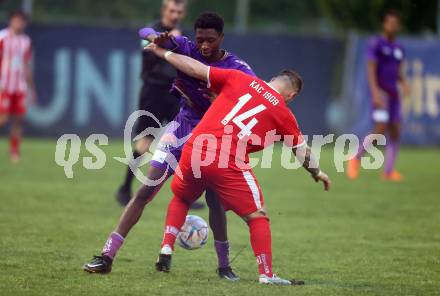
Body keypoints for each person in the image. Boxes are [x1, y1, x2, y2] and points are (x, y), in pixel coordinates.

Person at [83, 12, 255, 281]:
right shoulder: (186, 47)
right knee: (145, 191)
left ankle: (224, 266)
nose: (205, 46)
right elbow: (143, 32)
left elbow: (253, 97)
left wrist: (224, 100)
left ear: (222, 37)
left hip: (211, 137)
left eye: (211, 40)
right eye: (201, 40)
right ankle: (106, 256)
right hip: (179, 129)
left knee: (214, 201)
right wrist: (156, 36)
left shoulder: (238, 68)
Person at [144, 43, 331, 285]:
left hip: (195, 147)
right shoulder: (284, 114)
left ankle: (167, 248)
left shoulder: (239, 78)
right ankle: (266, 274)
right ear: (292, 95)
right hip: (226, 159)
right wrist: (317, 172)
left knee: (182, 197)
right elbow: (302, 152)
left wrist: (164, 53)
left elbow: (197, 69)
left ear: (272, 79)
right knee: (258, 216)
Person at [116, 0, 186, 206]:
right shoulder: (153, 30)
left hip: (175, 92)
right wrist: (166, 43)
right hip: (153, 91)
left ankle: (186, 195)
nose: (175, 14)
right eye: (172, 10)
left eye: (179, 11)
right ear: (165, 10)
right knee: (145, 141)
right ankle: (125, 188)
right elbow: (147, 52)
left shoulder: (183, 33)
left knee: (184, 141)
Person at [347, 10, 409, 181]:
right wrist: (375, 93)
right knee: (380, 129)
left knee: (395, 130)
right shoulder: (376, 44)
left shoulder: (399, 48)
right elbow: (371, 70)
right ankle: (355, 158)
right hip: (381, 94)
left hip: (394, 95)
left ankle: (388, 171)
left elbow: (398, 71)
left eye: (395, 23)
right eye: (389, 22)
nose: (392, 26)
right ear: (384, 24)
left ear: (399, 26)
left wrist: (404, 83)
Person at [0, 10, 36, 162]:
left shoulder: (26, 41)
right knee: (3, 117)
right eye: (16, 20)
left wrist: (31, 89)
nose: (18, 23)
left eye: (21, 21)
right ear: (11, 21)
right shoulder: (2, 37)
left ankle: (14, 151)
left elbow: (26, 66)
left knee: (18, 119)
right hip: (4, 85)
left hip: (19, 86)